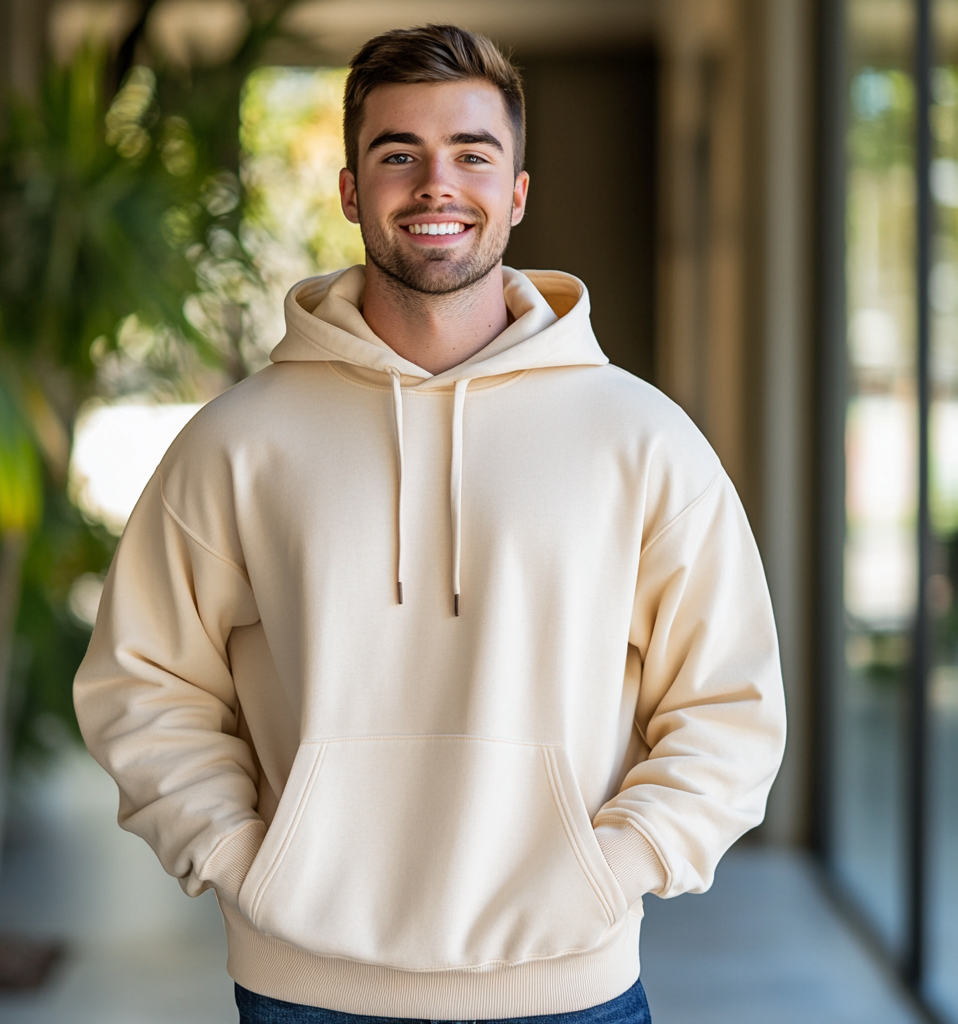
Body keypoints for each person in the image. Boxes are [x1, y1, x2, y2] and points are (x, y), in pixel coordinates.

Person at [74, 23, 786, 1024]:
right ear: (350, 190)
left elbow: (727, 706)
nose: (434, 183)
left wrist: (615, 868)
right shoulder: (239, 442)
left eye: (471, 153)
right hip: (302, 988)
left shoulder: (642, 440)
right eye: (397, 153)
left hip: (569, 986)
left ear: (518, 193)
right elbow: (144, 681)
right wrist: (240, 856)